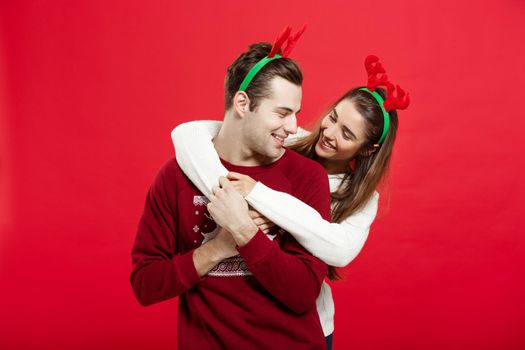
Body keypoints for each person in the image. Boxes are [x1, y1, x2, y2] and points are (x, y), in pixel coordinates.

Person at [171, 55, 410, 349]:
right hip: (242, 311)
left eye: (347, 134)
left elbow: (340, 249)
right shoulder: (288, 139)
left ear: (368, 149)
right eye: (333, 117)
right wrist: (231, 198)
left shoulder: (361, 198)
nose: (329, 133)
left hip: (305, 323)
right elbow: (187, 134)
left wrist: (258, 195)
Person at [130, 27, 332, 349]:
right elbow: (146, 284)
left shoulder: (306, 176)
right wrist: (219, 247)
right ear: (242, 103)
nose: (294, 127)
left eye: (296, 113)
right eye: (282, 113)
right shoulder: (175, 177)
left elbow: (303, 292)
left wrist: (244, 231)